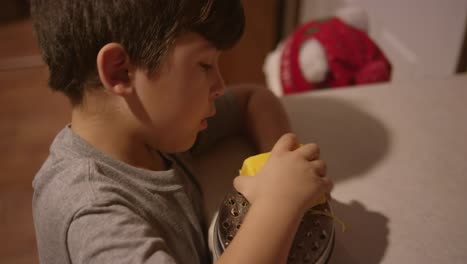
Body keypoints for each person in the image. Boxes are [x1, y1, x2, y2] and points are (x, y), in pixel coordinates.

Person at [30, 0, 333, 263]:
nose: (220, 85)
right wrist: (278, 203)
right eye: (204, 65)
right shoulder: (93, 211)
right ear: (120, 71)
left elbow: (254, 99)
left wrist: (276, 164)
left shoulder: (153, 127)